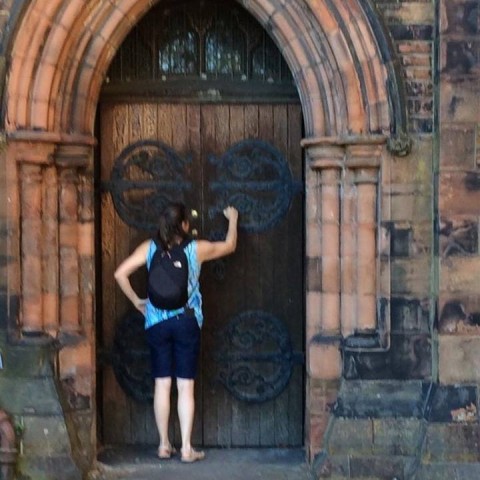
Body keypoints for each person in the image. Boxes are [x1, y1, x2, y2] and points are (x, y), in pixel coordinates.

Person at [114, 202, 238, 463]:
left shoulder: (149, 248)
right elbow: (229, 245)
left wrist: (137, 301)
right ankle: (186, 449)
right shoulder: (196, 249)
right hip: (186, 322)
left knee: (162, 383)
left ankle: (163, 445)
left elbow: (120, 274)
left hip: (156, 322)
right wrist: (233, 219)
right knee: (185, 385)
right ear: (184, 225)